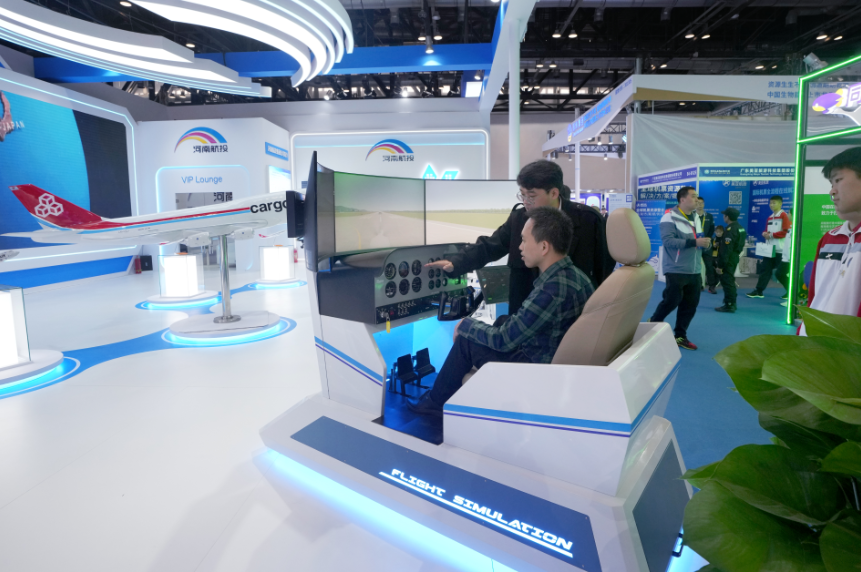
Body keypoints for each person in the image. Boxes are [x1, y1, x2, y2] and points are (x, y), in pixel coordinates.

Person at [408, 207, 595, 416]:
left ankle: (435, 404)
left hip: (535, 370)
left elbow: (503, 340)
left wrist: (465, 324)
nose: (520, 247)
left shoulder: (551, 290)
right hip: (550, 361)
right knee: (502, 320)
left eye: (524, 240)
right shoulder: (575, 276)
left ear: (544, 247)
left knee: (467, 341)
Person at [426, 160, 613, 315]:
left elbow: (603, 268)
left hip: (572, 313)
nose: (525, 202)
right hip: (526, 311)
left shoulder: (588, 221)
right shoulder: (519, 219)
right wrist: (456, 263)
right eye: (522, 195)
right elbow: (491, 246)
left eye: (531, 196)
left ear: (554, 193)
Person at [800, 147, 861, 334]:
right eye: (831, 183)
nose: (832, 191)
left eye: (838, 180)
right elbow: (815, 298)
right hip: (814, 344)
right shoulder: (829, 239)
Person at [649, 186, 711, 350]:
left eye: (697, 196)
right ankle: (653, 323)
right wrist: (694, 242)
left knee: (690, 305)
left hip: (694, 269)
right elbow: (668, 241)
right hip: (676, 268)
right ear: (682, 199)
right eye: (693, 196)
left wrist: (705, 244)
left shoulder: (696, 217)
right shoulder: (669, 217)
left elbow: (698, 239)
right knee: (671, 301)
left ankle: (680, 336)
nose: (697, 199)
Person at [747, 195, 791, 301]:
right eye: (770, 203)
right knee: (764, 270)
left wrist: (771, 235)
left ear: (780, 204)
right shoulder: (770, 217)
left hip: (781, 250)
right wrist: (765, 233)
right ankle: (759, 291)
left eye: (774, 203)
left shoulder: (784, 215)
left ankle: (791, 291)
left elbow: (786, 232)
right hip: (770, 249)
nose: (771, 205)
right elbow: (767, 230)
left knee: (781, 273)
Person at [715, 208, 746, 313]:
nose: (723, 217)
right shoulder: (740, 228)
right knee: (730, 280)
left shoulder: (729, 230)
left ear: (727, 217)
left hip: (728, 259)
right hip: (734, 257)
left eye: (724, 215)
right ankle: (732, 303)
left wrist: (720, 266)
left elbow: (726, 250)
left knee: (727, 282)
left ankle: (729, 304)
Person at [696, 197, 717, 294]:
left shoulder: (709, 216)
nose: (699, 205)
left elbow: (712, 228)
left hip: (707, 245)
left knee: (709, 266)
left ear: (704, 204)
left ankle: (712, 286)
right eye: (697, 203)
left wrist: (707, 238)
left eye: (701, 203)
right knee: (696, 266)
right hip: (696, 244)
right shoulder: (692, 216)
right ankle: (699, 285)